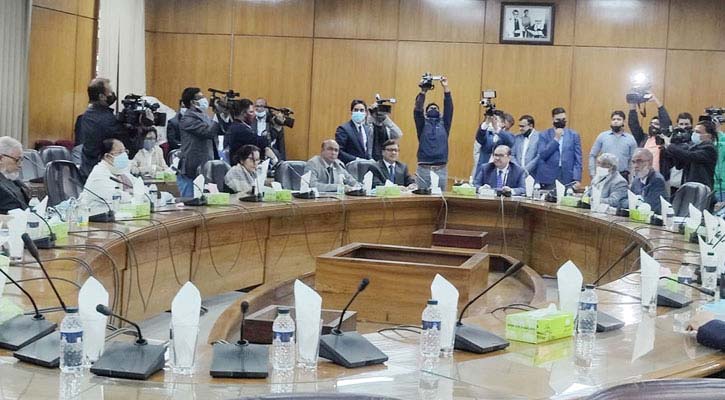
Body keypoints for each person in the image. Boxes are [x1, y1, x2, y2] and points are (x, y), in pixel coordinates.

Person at [78, 78, 126, 181]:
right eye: (110, 92)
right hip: (99, 173)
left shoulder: (90, 114)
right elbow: (127, 142)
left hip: (90, 169)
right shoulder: (103, 118)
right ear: (101, 96)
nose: (112, 95)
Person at [414, 76, 452, 191]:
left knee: (441, 199)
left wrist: (446, 88)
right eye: (430, 108)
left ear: (440, 113)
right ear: (426, 113)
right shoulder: (422, 124)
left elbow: (449, 108)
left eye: (436, 108)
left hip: (441, 168)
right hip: (423, 168)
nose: (433, 109)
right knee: (421, 198)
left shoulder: (444, 124)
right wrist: (423, 92)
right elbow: (418, 110)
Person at [177, 87, 216, 197]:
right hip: (192, 165)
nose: (204, 99)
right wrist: (217, 115)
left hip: (205, 164)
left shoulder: (204, 115)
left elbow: (219, 130)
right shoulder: (188, 118)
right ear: (192, 102)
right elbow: (208, 132)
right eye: (200, 97)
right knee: (190, 200)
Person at [534, 107, 583, 190]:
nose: (561, 122)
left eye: (563, 119)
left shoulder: (573, 135)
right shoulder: (544, 135)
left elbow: (578, 159)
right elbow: (542, 155)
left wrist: (577, 178)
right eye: (558, 119)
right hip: (548, 176)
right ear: (553, 119)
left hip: (567, 176)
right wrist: (556, 139)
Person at [81, 139, 132, 215]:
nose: (124, 155)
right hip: (94, 218)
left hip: (115, 216)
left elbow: (139, 187)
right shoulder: (99, 173)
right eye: (120, 152)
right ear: (107, 156)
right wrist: (132, 194)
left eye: (125, 151)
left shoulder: (120, 171)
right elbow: (115, 196)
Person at [664, 120, 718, 189]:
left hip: (701, 188)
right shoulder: (693, 147)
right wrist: (673, 149)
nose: (694, 134)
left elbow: (689, 156)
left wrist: (670, 146)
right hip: (688, 187)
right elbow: (679, 165)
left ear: (709, 136)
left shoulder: (709, 149)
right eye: (694, 131)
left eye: (698, 132)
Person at [627, 93, 672, 175]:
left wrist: (656, 101)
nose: (652, 125)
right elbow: (633, 124)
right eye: (651, 123)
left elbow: (666, 121)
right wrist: (632, 104)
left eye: (656, 124)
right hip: (642, 176)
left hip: (660, 176)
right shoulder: (643, 138)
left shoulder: (664, 139)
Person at [589, 110, 637, 181]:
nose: (615, 121)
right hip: (605, 175)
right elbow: (592, 155)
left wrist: (632, 179)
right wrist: (593, 174)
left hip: (623, 176)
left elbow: (634, 160)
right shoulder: (602, 136)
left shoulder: (630, 139)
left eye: (619, 119)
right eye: (613, 119)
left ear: (624, 122)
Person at [228, 98, 275, 166]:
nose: (254, 114)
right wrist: (274, 130)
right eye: (251, 112)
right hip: (241, 167)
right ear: (243, 113)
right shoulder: (240, 129)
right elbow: (261, 142)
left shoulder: (238, 126)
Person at [472, 110, 515, 179]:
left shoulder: (508, 135)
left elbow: (510, 141)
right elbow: (479, 138)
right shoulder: (487, 135)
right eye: (492, 120)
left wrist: (496, 128)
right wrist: (486, 122)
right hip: (484, 171)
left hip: (499, 171)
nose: (493, 122)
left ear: (503, 124)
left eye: (496, 120)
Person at [630, 148, 668, 214]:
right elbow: (629, 201)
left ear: (650, 163)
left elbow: (652, 206)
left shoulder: (657, 180)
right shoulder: (636, 180)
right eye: (633, 162)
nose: (635, 166)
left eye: (639, 161)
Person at [336, 99, 373, 163]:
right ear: (351, 112)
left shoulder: (367, 129)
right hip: (350, 165)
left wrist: (370, 159)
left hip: (366, 165)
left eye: (361, 110)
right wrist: (356, 159)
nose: (359, 112)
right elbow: (339, 151)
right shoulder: (344, 129)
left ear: (366, 113)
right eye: (356, 110)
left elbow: (366, 150)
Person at [0, 137, 29, 213]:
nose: (20, 165)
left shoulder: (14, 180)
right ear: (1, 158)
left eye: (21, 160)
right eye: (17, 160)